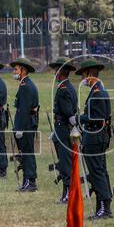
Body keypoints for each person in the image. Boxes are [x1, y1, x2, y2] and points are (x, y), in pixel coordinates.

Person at [76, 59, 112, 219]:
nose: (82, 79)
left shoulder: (97, 92)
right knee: (100, 171)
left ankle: (105, 207)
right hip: (97, 136)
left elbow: (96, 116)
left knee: (97, 172)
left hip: (95, 137)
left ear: (89, 75)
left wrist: (78, 119)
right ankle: (102, 205)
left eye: (83, 75)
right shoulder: (98, 90)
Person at [48, 57, 78, 204]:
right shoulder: (69, 87)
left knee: (65, 161)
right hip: (62, 127)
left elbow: (67, 112)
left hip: (63, 127)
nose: (55, 73)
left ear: (60, 72)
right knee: (65, 160)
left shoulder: (64, 89)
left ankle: (68, 193)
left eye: (56, 71)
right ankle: (67, 192)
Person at [10, 57, 39, 192]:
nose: (13, 72)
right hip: (27, 124)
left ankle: (30, 182)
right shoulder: (26, 84)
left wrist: (20, 128)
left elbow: (24, 109)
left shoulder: (25, 86)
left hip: (26, 125)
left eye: (16, 69)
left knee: (27, 153)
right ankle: (27, 181)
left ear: (23, 71)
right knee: (26, 153)